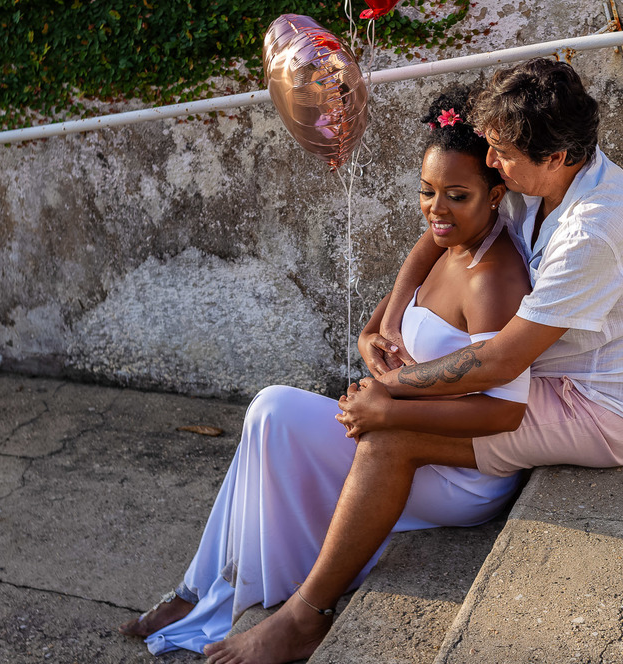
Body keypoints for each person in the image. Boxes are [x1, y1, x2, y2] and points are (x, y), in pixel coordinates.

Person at [118, 86, 532, 662]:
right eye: (427, 191)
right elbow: (391, 313)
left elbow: (505, 412)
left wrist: (388, 405)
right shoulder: (442, 241)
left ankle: (236, 593)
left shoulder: (494, 278)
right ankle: (205, 588)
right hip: (403, 425)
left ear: (496, 192)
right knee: (270, 421)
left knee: (273, 413)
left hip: (456, 469)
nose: (437, 208)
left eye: (457, 195)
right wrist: (371, 341)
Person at [369, 56, 623, 481]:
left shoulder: (592, 232)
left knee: (392, 431)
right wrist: (386, 326)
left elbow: (501, 362)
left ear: (556, 157)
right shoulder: (536, 175)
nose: (491, 161)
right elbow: (442, 232)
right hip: (548, 375)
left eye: (502, 154)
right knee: (402, 406)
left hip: (601, 408)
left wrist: (390, 386)